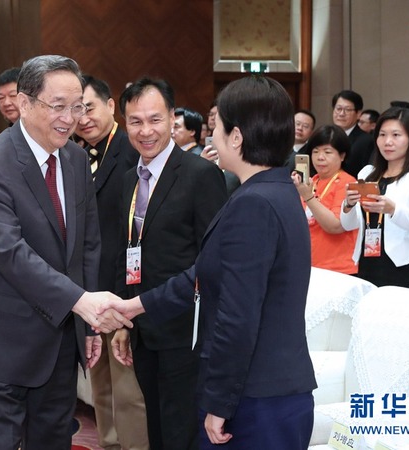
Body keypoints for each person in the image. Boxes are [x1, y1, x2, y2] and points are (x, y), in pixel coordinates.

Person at [108, 75, 317, 450]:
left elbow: (237, 315)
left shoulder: (253, 204)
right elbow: (207, 272)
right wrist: (135, 306)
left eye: (216, 126)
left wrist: (219, 401)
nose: (211, 135)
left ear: (236, 137)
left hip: (254, 396)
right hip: (269, 388)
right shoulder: (276, 190)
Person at [0, 55, 130, 449]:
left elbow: (87, 246)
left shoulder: (76, 159)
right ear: (25, 103)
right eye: (58, 106)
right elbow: (7, 251)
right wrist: (81, 302)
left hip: (58, 341)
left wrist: (86, 326)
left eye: (77, 106)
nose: (70, 118)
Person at [113, 77, 228, 450]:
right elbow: (130, 250)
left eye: (155, 119)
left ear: (172, 118)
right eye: (135, 121)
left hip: (186, 330)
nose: (145, 131)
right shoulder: (130, 179)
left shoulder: (200, 175)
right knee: (156, 426)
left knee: (182, 430)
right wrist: (125, 323)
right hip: (143, 327)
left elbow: (213, 260)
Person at [74, 75, 148, 450]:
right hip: (87, 290)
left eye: (89, 107)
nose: (83, 118)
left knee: (127, 388)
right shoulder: (73, 154)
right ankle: (109, 444)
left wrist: (126, 295)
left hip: (122, 288)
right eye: (76, 110)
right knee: (98, 382)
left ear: (109, 105)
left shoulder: (132, 151)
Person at [341, 107, 409, 289]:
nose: (388, 142)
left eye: (396, 135)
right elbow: (349, 225)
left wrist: (393, 210)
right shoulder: (367, 173)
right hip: (366, 261)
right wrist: (348, 205)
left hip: (402, 266)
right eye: (382, 135)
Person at [292, 125, 358, 274]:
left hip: (337, 268)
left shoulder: (347, 183)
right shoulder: (311, 181)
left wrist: (308, 197)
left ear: (342, 156)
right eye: (315, 151)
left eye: (327, 152)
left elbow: (335, 226)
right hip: (308, 264)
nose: (320, 157)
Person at [331, 90, 375, 177]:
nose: (341, 114)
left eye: (347, 110)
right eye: (338, 109)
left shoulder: (366, 141)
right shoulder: (326, 137)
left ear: (358, 114)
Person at [285, 109, 316, 174]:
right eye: (297, 124)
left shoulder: (311, 154)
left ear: (311, 132)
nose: (300, 128)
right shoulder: (279, 149)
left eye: (305, 126)